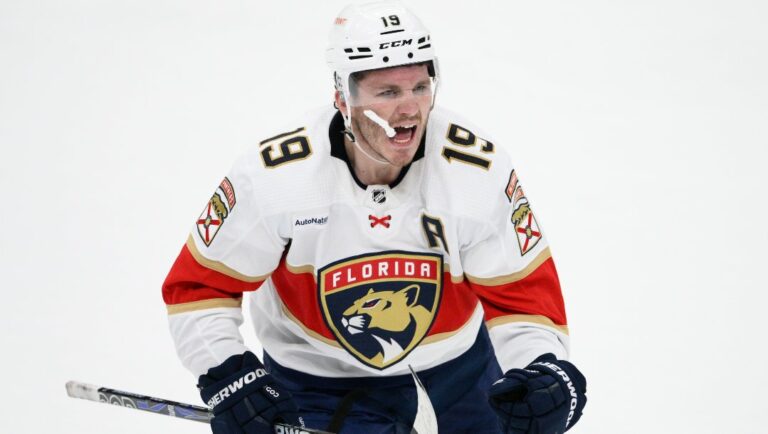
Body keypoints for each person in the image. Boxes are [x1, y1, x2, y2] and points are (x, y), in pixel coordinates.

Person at [162, 2, 587, 433]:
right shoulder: (276, 177)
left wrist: (543, 370)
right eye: (387, 93)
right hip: (318, 385)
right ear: (342, 97)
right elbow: (199, 290)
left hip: (460, 376)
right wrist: (228, 374)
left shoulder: (475, 172)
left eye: (420, 87)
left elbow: (522, 300)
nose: (410, 109)